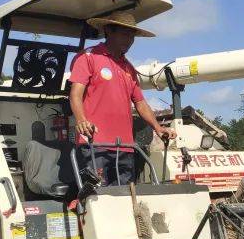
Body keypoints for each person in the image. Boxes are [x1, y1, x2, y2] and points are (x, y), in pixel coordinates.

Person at [69, 10, 174, 186]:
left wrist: (157, 127)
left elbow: (140, 103)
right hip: (95, 144)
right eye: (124, 34)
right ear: (108, 31)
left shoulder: (129, 68)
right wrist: (81, 120)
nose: (129, 40)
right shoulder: (88, 57)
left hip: (126, 147)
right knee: (97, 197)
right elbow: (75, 94)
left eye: (132, 36)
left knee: (125, 197)